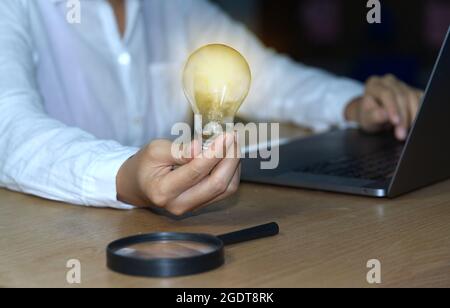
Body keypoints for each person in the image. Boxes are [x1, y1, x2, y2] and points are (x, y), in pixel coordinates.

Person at [0, 0, 423, 215]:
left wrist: (352, 104)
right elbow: (10, 127)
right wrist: (123, 175)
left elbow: (266, 75)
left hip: (181, 243)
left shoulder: (175, 7)